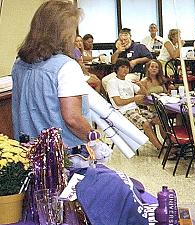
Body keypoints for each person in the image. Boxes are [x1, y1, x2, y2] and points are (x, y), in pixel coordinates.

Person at [12, 0, 99, 148]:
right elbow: (72, 119)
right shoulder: (67, 67)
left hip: (29, 151)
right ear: (63, 33)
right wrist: (93, 138)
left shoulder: (19, 63)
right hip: (62, 156)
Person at [106, 59, 162, 149]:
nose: (125, 70)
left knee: (160, 119)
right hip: (123, 112)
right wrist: (134, 99)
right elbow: (118, 102)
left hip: (135, 109)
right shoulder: (112, 82)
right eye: (122, 67)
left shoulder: (128, 80)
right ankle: (160, 148)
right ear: (117, 68)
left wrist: (140, 85)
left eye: (127, 67)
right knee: (146, 124)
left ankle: (168, 144)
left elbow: (145, 94)